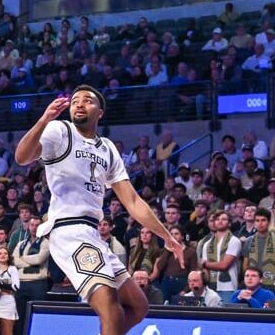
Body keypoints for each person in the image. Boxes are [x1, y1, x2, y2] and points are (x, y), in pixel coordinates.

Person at [15, 85, 183, 335]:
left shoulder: (107, 148)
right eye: (74, 101)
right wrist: (43, 120)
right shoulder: (60, 130)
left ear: (100, 112)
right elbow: (22, 157)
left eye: (87, 101)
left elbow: (133, 202)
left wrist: (166, 235)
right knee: (111, 309)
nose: (79, 104)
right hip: (69, 231)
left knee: (138, 306)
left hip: (93, 234)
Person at [240, 208, 275, 295]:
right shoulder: (249, 240)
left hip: (273, 287)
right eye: (257, 220)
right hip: (252, 288)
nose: (260, 223)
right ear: (254, 222)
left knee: (271, 308)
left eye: (263, 220)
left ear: (269, 222)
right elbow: (245, 266)